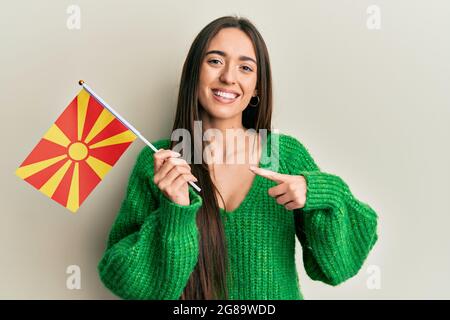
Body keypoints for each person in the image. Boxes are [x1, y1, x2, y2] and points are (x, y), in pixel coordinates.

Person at [97, 15, 378, 300]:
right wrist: (176, 211)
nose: (229, 77)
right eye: (215, 61)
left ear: (257, 86)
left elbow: (339, 267)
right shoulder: (159, 161)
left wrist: (319, 193)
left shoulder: (282, 154)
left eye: (245, 67)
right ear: (194, 73)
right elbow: (127, 282)